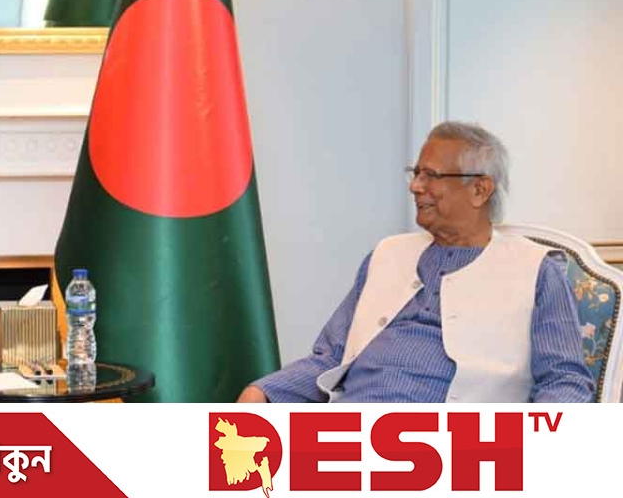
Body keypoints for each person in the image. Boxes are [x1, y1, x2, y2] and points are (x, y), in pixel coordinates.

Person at [239, 121, 594, 403]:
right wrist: (263, 391)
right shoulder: (386, 255)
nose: (415, 187)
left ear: (479, 190)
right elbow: (332, 356)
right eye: (416, 173)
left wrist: (524, 451)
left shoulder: (536, 270)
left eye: (432, 176)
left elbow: (564, 381)